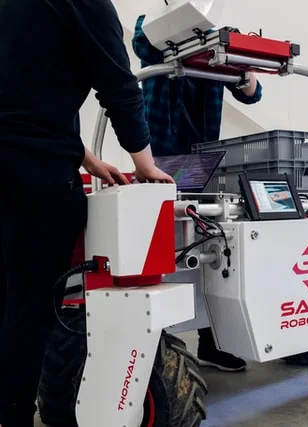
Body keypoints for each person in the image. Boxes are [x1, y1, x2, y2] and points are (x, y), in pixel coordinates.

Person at [0, 0, 175, 425]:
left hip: (18, 162)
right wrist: (145, 164)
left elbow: (24, 98)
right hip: (35, 177)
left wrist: (88, 158)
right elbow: (118, 86)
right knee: (30, 310)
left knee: (9, 302)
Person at [132, 15, 263, 372]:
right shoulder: (151, 25)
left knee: (209, 251)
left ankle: (210, 343)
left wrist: (246, 74)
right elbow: (142, 44)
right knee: (157, 254)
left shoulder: (220, 37)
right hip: (158, 158)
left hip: (202, 161)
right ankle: (153, 344)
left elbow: (252, 93)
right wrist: (186, 32)